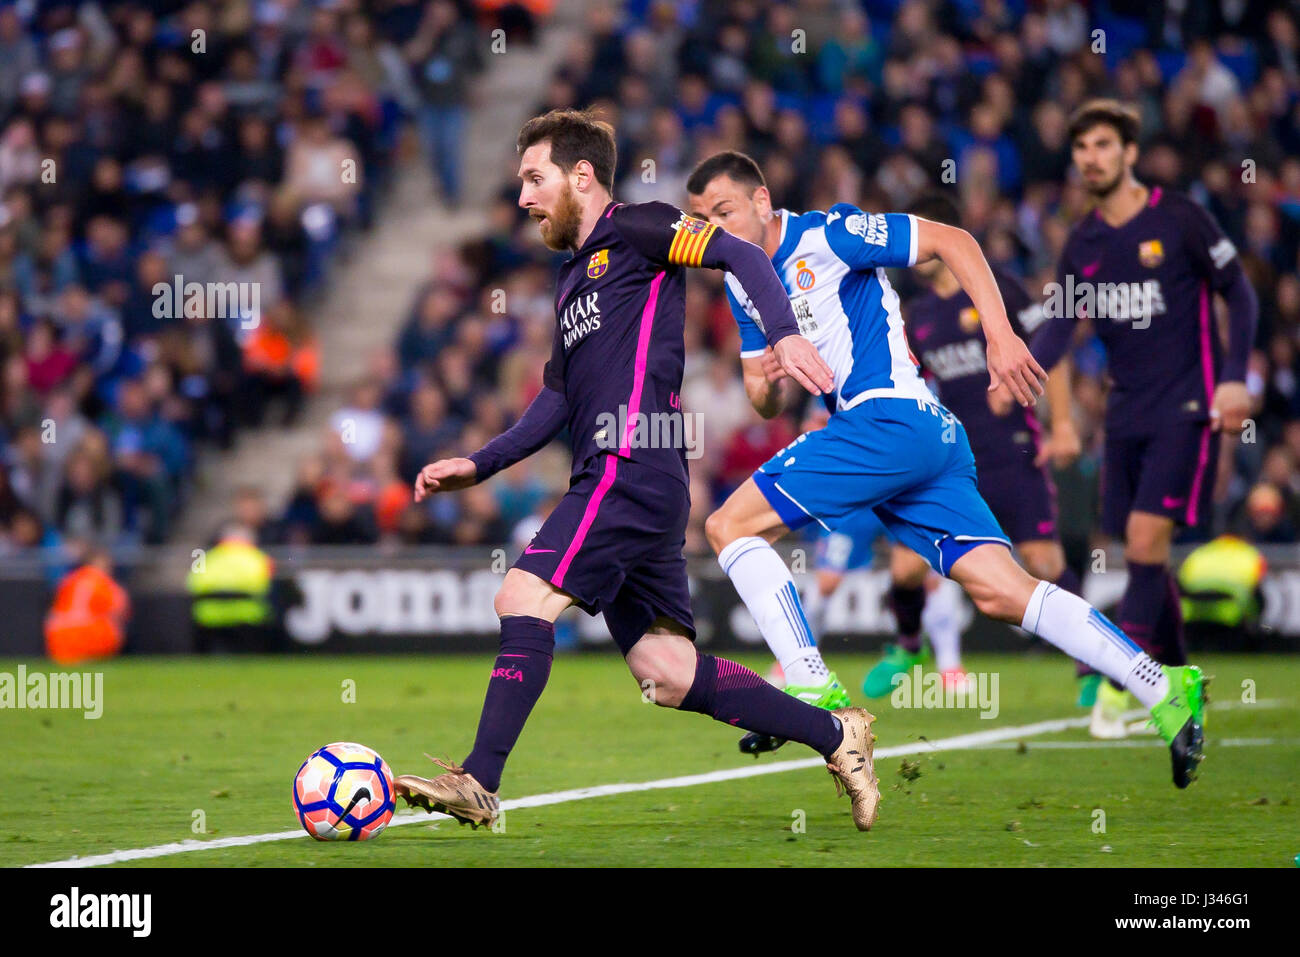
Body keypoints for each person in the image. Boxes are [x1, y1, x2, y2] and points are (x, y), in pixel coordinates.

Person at [397, 108, 884, 833]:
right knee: (666, 669)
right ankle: (838, 733)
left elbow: (743, 257)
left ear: (582, 175)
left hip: (632, 461)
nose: (524, 197)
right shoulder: (569, 284)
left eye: (535, 179)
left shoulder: (641, 228)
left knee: (521, 596)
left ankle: (478, 779)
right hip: (632, 476)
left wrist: (782, 334)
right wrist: (481, 462)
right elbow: (556, 398)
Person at [687, 149, 1207, 790]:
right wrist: (769, 380)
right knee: (1001, 592)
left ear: (762, 201)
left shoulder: (827, 233)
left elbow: (951, 239)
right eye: (700, 219)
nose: (711, 227)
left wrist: (1000, 334)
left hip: (887, 420)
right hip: (929, 436)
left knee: (726, 526)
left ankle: (809, 688)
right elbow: (761, 395)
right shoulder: (742, 281)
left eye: (723, 211)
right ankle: (1161, 684)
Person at [1032, 100, 1258, 737]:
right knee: (1141, 557)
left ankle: (1119, 687)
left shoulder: (1180, 218)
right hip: (1124, 415)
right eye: (1081, 149)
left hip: (1187, 408)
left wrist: (1236, 379)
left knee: (1141, 544)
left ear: (1129, 153)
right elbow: (1058, 331)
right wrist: (1016, 371)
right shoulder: (1084, 241)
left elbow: (1238, 293)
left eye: (1103, 145)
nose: (1091, 158)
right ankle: (1182, 681)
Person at [44, 546, 129, 665]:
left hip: (58, 639)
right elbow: (120, 609)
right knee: (113, 626)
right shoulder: (104, 583)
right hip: (89, 636)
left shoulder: (69, 580)